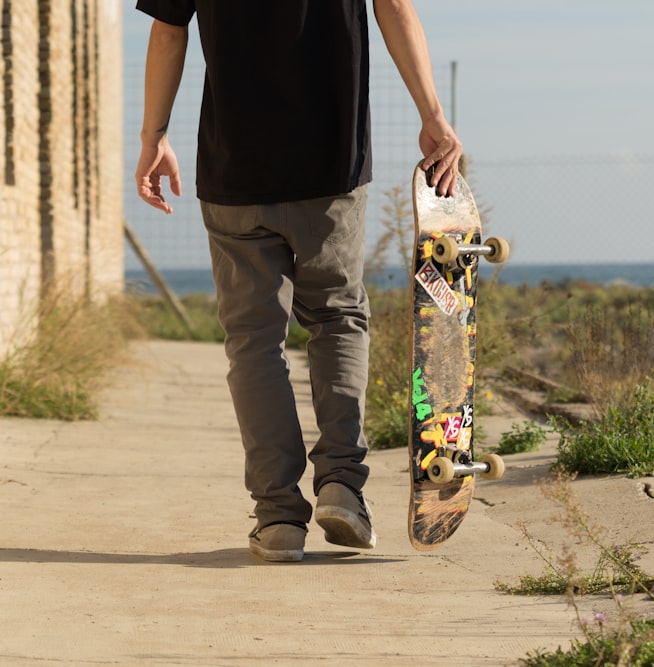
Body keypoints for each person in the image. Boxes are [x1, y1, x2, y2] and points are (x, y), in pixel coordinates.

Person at [134, 0, 462, 562]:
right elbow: (395, 6)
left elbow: (168, 31)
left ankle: (279, 516)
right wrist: (431, 115)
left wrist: (153, 135)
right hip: (330, 163)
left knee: (253, 341)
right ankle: (341, 486)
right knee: (337, 318)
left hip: (235, 167)